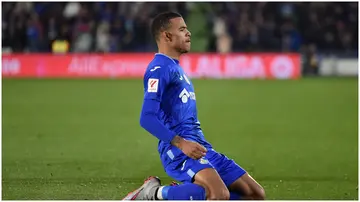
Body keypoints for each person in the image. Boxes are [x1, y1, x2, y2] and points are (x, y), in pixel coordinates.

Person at [123, 12, 265, 200]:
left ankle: (181, 194)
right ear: (167, 36)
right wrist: (180, 143)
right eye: (182, 29)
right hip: (178, 148)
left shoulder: (175, 67)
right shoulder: (159, 68)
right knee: (217, 194)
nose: (188, 33)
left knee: (255, 194)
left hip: (200, 146)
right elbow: (147, 117)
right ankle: (154, 193)